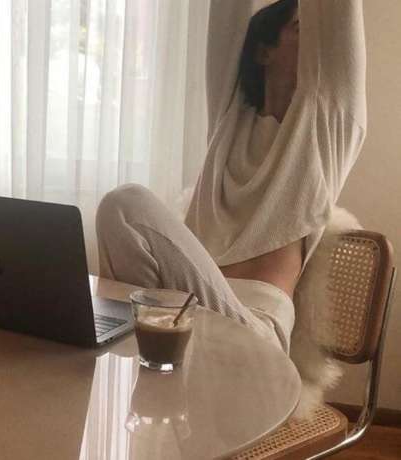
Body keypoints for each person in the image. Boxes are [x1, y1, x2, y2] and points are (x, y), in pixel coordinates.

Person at [96, 0, 366, 352]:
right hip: (183, 318)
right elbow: (227, 13)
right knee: (118, 208)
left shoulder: (324, 132)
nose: (318, 42)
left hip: (255, 333)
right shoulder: (229, 120)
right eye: (302, 29)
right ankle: (137, 355)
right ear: (263, 51)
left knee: (127, 203)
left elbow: (338, 17)